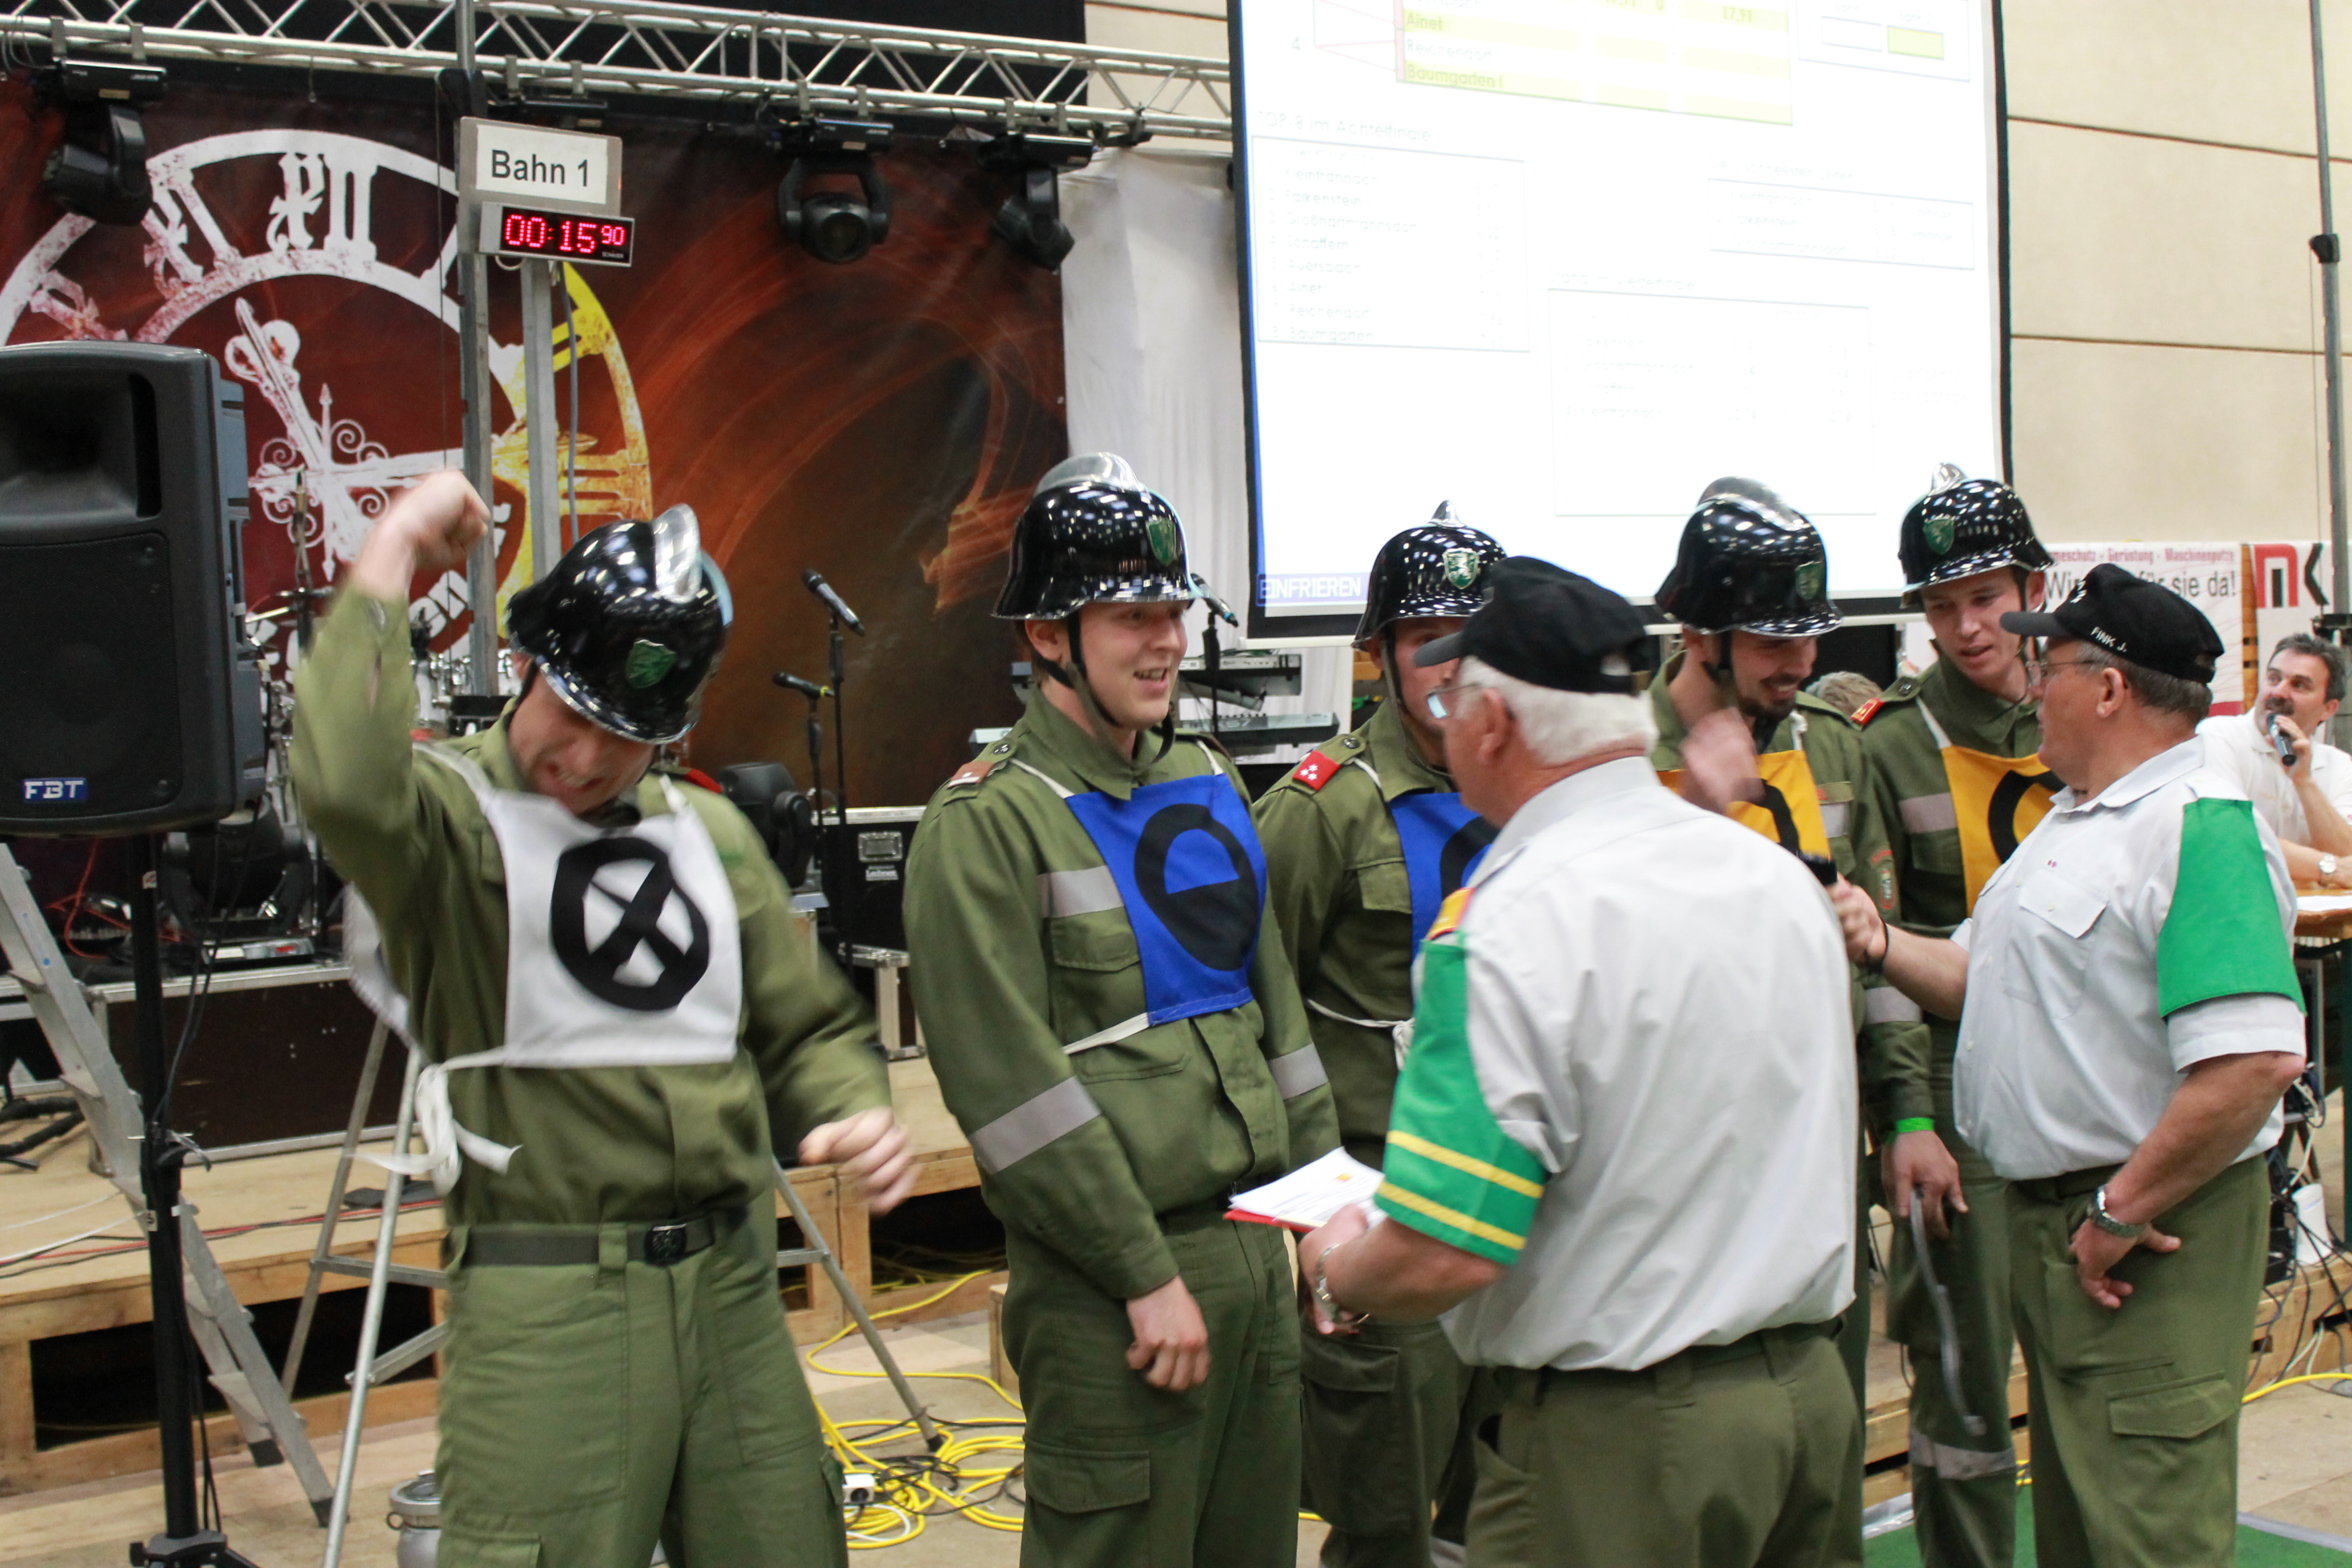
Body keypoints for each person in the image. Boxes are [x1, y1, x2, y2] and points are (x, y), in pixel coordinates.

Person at [292, 472, 914, 1567]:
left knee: (788, 1539)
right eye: (572, 715)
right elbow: (343, 784)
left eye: (622, 736)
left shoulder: (711, 836)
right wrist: (393, 551)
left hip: (733, 1287)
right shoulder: (449, 822)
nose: (582, 760)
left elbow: (807, 1027)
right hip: (549, 1297)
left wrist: (850, 1105)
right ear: (528, 664)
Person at [1298, 557, 1863, 1568]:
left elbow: (1445, 1247)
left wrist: (1339, 1269)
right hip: (1809, 1410)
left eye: (1454, 697)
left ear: (1493, 725)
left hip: (1622, 1452)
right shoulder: (1773, 879)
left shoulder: (1507, 925)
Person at [901, 455, 1339, 1568]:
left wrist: (1323, 1216)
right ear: (1049, 635)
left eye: (1174, 612)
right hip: (1112, 1290)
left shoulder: (1209, 778)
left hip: (1257, 1257)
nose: (1168, 642)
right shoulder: (986, 825)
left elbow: (1279, 1021)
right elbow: (1014, 1100)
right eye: (1133, 616)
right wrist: (1144, 1273)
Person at [1833, 563, 2307, 1568]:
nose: (2030, 685)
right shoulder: (2080, 819)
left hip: (2146, 1243)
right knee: (2084, 1527)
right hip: (2076, 1234)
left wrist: (2119, 1212)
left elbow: (2253, 1061)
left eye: (2049, 668)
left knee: (2146, 1531)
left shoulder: (2198, 825)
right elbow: (1978, 977)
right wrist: (1877, 938)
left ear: (2110, 689)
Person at [1254, 508, 1506, 1568]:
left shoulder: (1531, 790)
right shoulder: (1321, 811)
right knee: (1385, 1527)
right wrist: (1314, 1214)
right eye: (1426, 638)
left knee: (1505, 1519)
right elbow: (1256, 1014)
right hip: (1384, 1217)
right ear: (1377, 654)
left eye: (1476, 638)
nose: (1454, 663)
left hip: (1511, 1212)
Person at [1647, 477, 1932, 1407]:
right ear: (1698, 636)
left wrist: (1908, 1116)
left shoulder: (1831, 744)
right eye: (1773, 641)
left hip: (1820, 1137)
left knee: (1824, 1412)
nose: (1800, 662)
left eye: (1809, 637)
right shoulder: (1620, 756)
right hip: (1680, 1152)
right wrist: (1690, 809)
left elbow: (1879, 952)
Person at [1854, 469, 2054, 1568]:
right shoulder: (1889, 741)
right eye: (1941, 605)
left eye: (1984, 597)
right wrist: (1909, 1118)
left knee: (2085, 1360)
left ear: (2032, 589)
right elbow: (1876, 948)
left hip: (2084, 1081)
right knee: (1965, 1377)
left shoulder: (2091, 703)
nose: (1967, 626)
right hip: (1956, 1092)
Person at [2198, 632, 2352, 889]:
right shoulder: (2218, 737)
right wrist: (2328, 868)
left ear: (2329, 708)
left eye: (2299, 685)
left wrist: (2304, 783)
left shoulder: (2340, 765)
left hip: (2314, 913)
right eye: (2274, 678)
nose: (2278, 692)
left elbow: (2349, 858)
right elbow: (2229, 835)